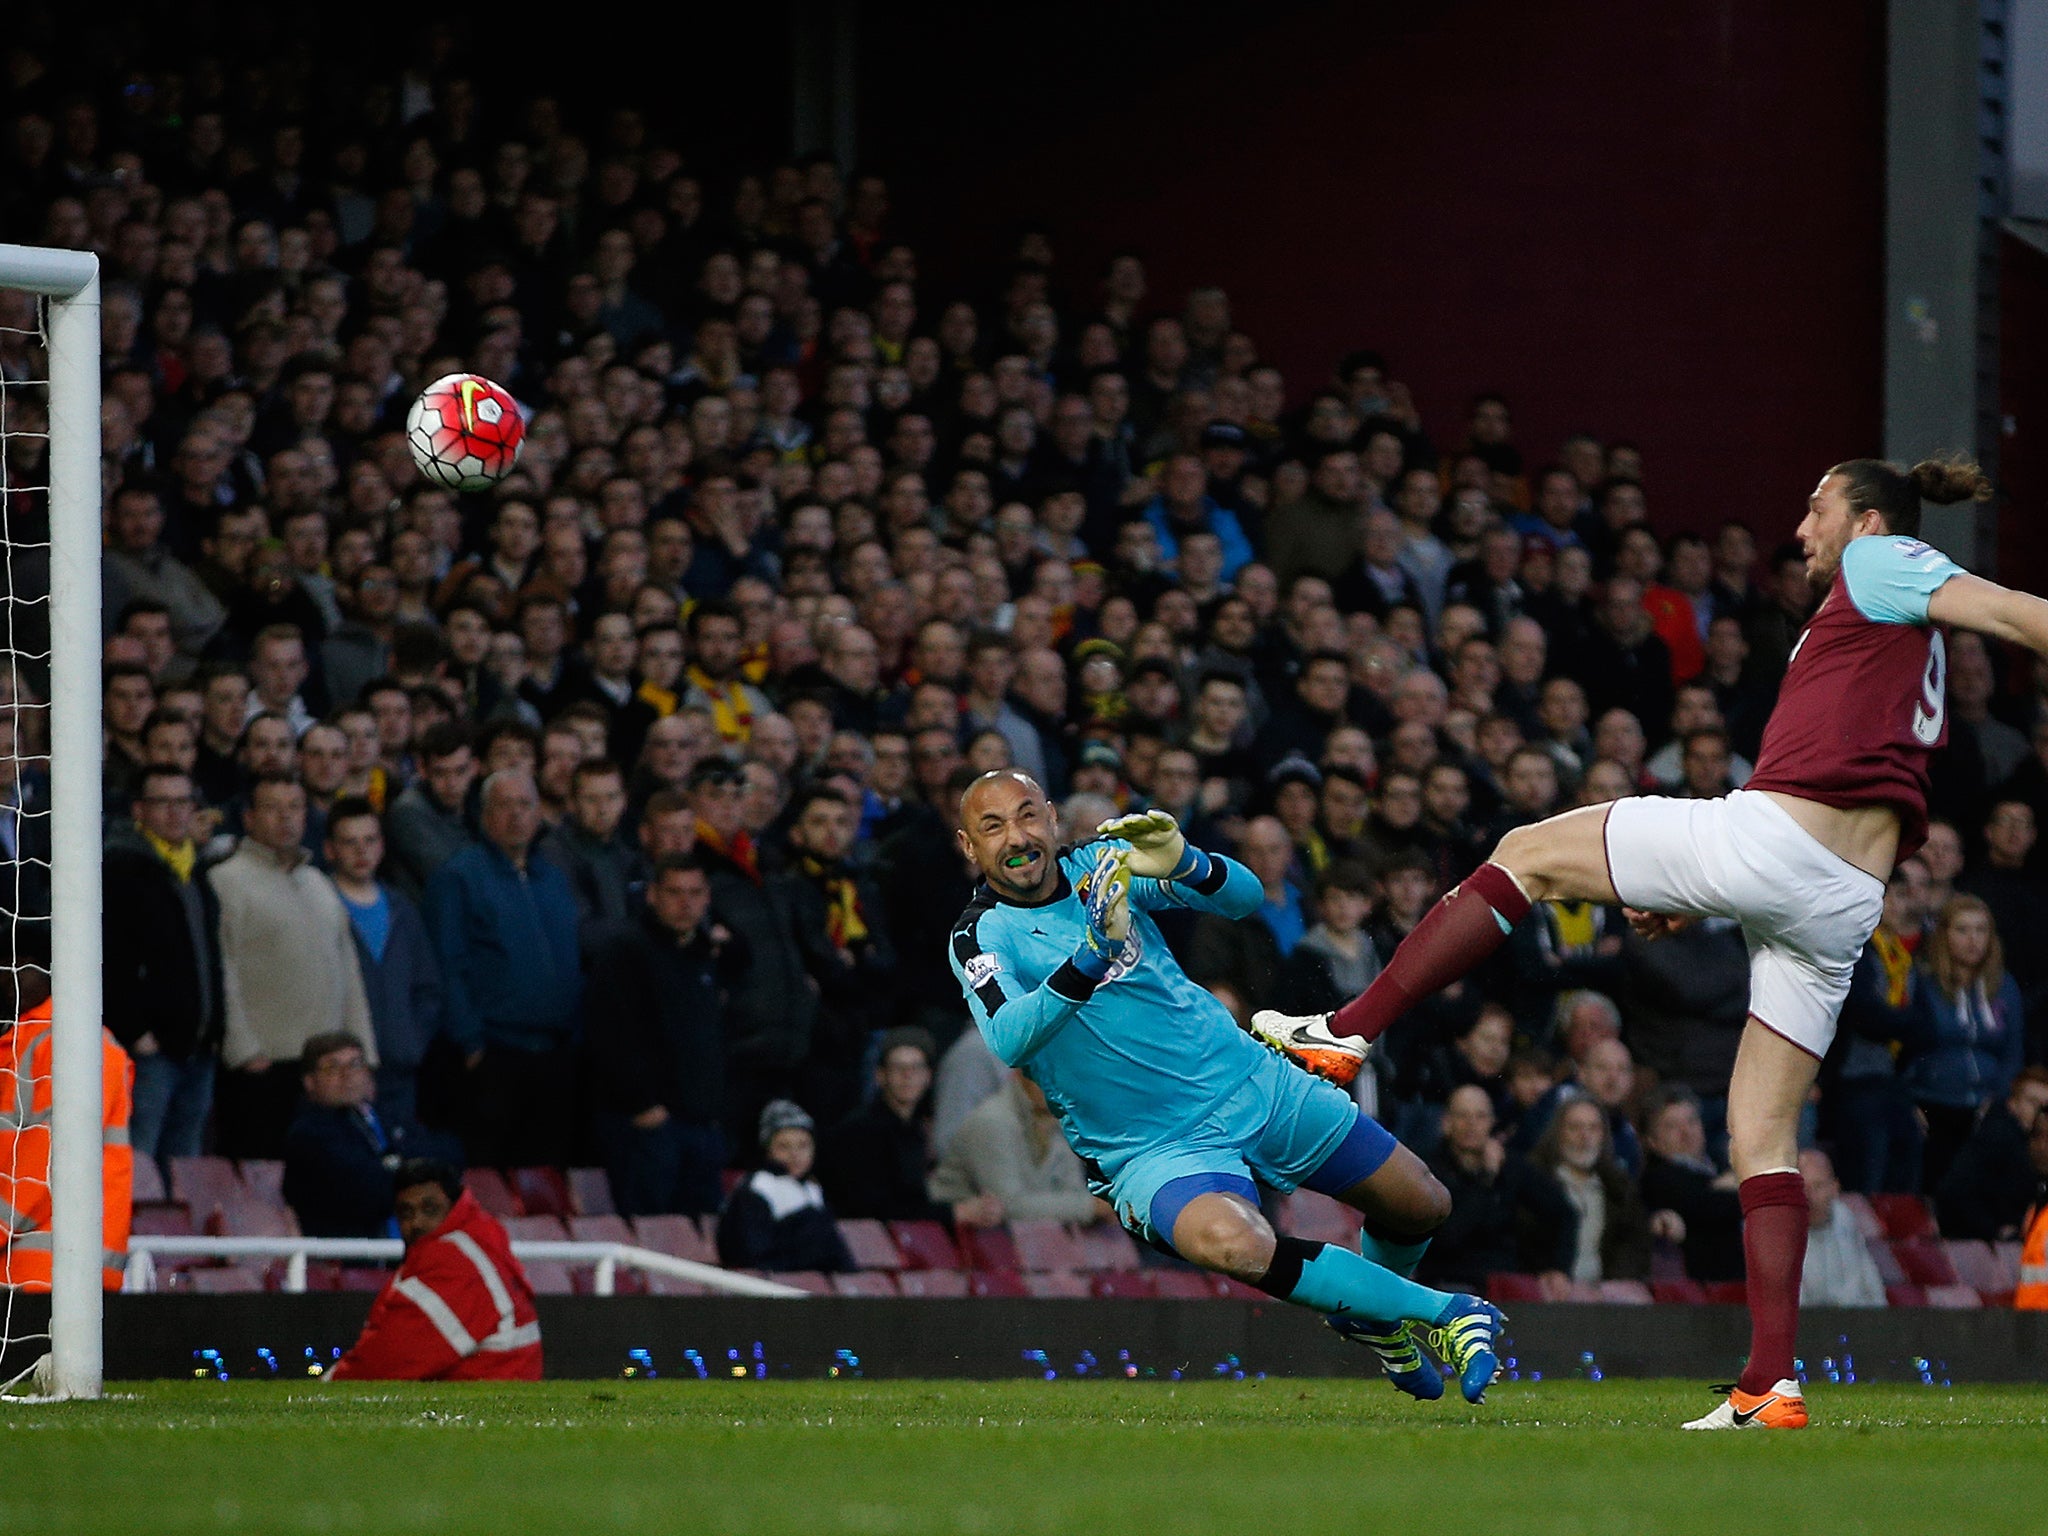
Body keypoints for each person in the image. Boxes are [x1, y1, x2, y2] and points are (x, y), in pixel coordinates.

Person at [1255, 457, 2036, 1428]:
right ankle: (1769, 1386)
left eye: (1814, 502)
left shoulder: (1880, 562)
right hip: (1837, 898)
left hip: (1778, 842)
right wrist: (1695, 889)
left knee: (1523, 854)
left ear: (1865, 514)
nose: (1800, 526)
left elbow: (2015, 614)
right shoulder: (1877, 622)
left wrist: (1723, 873)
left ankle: (1345, 1031)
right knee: (1757, 1136)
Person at [948, 773, 1505, 1405]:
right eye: (994, 828)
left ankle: (1372, 1314)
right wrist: (1091, 955)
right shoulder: (981, 936)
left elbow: (1244, 899)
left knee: (1422, 1204)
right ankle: (1448, 1313)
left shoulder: (1103, 865)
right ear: (970, 847)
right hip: (1150, 1147)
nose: (1017, 838)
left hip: (1248, 1079)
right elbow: (1010, 1038)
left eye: (1026, 817)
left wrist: (1186, 860)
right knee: (1236, 1245)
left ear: (1050, 818)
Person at [209, 773, 377, 1159]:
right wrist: (244, 1049)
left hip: (329, 1071)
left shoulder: (318, 881)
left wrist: (364, 1055)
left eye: (295, 807)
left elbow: (349, 973)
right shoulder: (225, 880)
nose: (286, 818)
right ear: (249, 818)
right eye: (272, 808)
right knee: (263, 1179)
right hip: (264, 1066)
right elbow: (225, 969)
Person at [424, 769, 583, 1169]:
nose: (516, 816)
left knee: (546, 1179)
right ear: (484, 814)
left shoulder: (554, 878)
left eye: (525, 805)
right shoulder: (460, 876)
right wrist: (471, 1042)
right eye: (504, 805)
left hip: (554, 1056)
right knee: (489, 1178)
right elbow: (448, 963)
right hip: (494, 1057)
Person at [581, 855, 744, 1216]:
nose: (685, 903)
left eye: (694, 893)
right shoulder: (626, 951)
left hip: (702, 1123)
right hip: (649, 1126)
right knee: (651, 1234)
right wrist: (642, 1105)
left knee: (698, 1242)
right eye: (674, 892)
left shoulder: (704, 955)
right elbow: (608, 1035)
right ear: (652, 895)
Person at [326, 1159, 542, 1381]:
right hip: (501, 1389)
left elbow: (386, 1363)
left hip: (484, 1397)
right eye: (406, 1213)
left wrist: (327, 1386)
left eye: (430, 1209)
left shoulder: (454, 1259)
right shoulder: (478, 1235)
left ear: (454, 1206)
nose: (416, 1222)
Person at [102, 765, 221, 1163]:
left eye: (182, 802)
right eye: (162, 803)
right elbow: (110, 958)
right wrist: (136, 1031)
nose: (174, 813)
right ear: (139, 810)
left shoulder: (194, 871)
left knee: (185, 1166)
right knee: (139, 1160)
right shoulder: (121, 870)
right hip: (152, 1052)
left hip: (198, 1047)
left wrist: (217, 1027)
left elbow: (210, 958)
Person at [0, 965, 134, 1292]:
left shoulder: (74, 1044)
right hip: (38, 1272)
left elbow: (45, 1164)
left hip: (50, 1277)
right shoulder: (27, 1042)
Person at [324, 798, 442, 1132]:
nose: (362, 851)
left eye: (370, 840)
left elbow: (427, 988)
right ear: (330, 850)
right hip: (338, 1074)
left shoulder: (401, 908)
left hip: (399, 1070)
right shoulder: (319, 903)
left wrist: (411, 1042)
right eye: (350, 842)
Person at [1904, 894, 2026, 1192]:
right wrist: (1906, 1099)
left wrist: (1998, 1099)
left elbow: (2013, 1052)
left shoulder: (2004, 985)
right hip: (1932, 1103)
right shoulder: (1922, 980)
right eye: (1962, 930)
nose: (1973, 940)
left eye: (1981, 930)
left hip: (1987, 1106)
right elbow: (1905, 1046)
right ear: (1943, 934)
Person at [818, 1027, 998, 1229]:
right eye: (898, 1068)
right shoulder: (859, 1132)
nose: (908, 1076)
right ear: (880, 1075)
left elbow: (911, 1202)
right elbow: (877, 1209)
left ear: (928, 1076)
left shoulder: (914, 1130)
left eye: (916, 1068)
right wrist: (955, 1212)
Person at [1418, 1084, 1576, 1298]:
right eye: (1463, 1116)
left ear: (1492, 1122)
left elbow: (1564, 1212)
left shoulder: (1510, 1166)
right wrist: (1486, 1179)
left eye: (1480, 1116)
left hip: (1506, 1282)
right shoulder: (1428, 1169)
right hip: (1448, 1281)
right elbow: (1450, 1234)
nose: (1471, 1125)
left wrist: (1559, 1269)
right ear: (1447, 1123)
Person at [282, 1033, 438, 1239]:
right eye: (332, 1067)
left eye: (355, 1064)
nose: (347, 1075)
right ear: (310, 1082)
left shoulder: (387, 1118)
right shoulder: (308, 1133)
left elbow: (443, 1155)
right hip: (350, 1260)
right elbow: (367, 1192)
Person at [928, 1070, 1110, 1224]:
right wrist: (1093, 1207)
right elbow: (1009, 1205)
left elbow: (1073, 1193)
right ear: (1021, 1074)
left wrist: (1096, 1207)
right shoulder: (993, 1121)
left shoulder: (1057, 1120)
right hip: (949, 1244)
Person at [1527, 1095, 1664, 1285]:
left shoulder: (1620, 1188)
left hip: (1607, 1298)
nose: (1585, 1137)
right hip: (1547, 1292)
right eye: (1575, 1128)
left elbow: (1634, 1245)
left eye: (1593, 1128)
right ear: (1558, 1133)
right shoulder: (1534, 1183)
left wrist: (1609, 1285)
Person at [715, 1100, 854, 1273]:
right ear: (768, 1149)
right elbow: (750, 1253)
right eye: (784, 1146)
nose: (795, 1155)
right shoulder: (758, 1187)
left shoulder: (813, 1190)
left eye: (803, 1145)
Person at [1935, 1067, 2048, 1240]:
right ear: (2012, 1103)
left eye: (2044, 1106)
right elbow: (1957, 1191)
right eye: (2032, 1102)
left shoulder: (2031, 1145)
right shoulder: (1996, 1137)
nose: (2037, 1111)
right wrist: (1996, 1230)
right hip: (1977, 1243)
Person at [1795, 1148, 1886, 1307]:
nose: (1809, 1196)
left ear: (1834, 1188)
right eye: (1802, 1187)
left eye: (1818, 1186)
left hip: (1852, 1326)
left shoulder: (1846, 1219)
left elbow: (1873, 1291)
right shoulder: (1776, 1233)